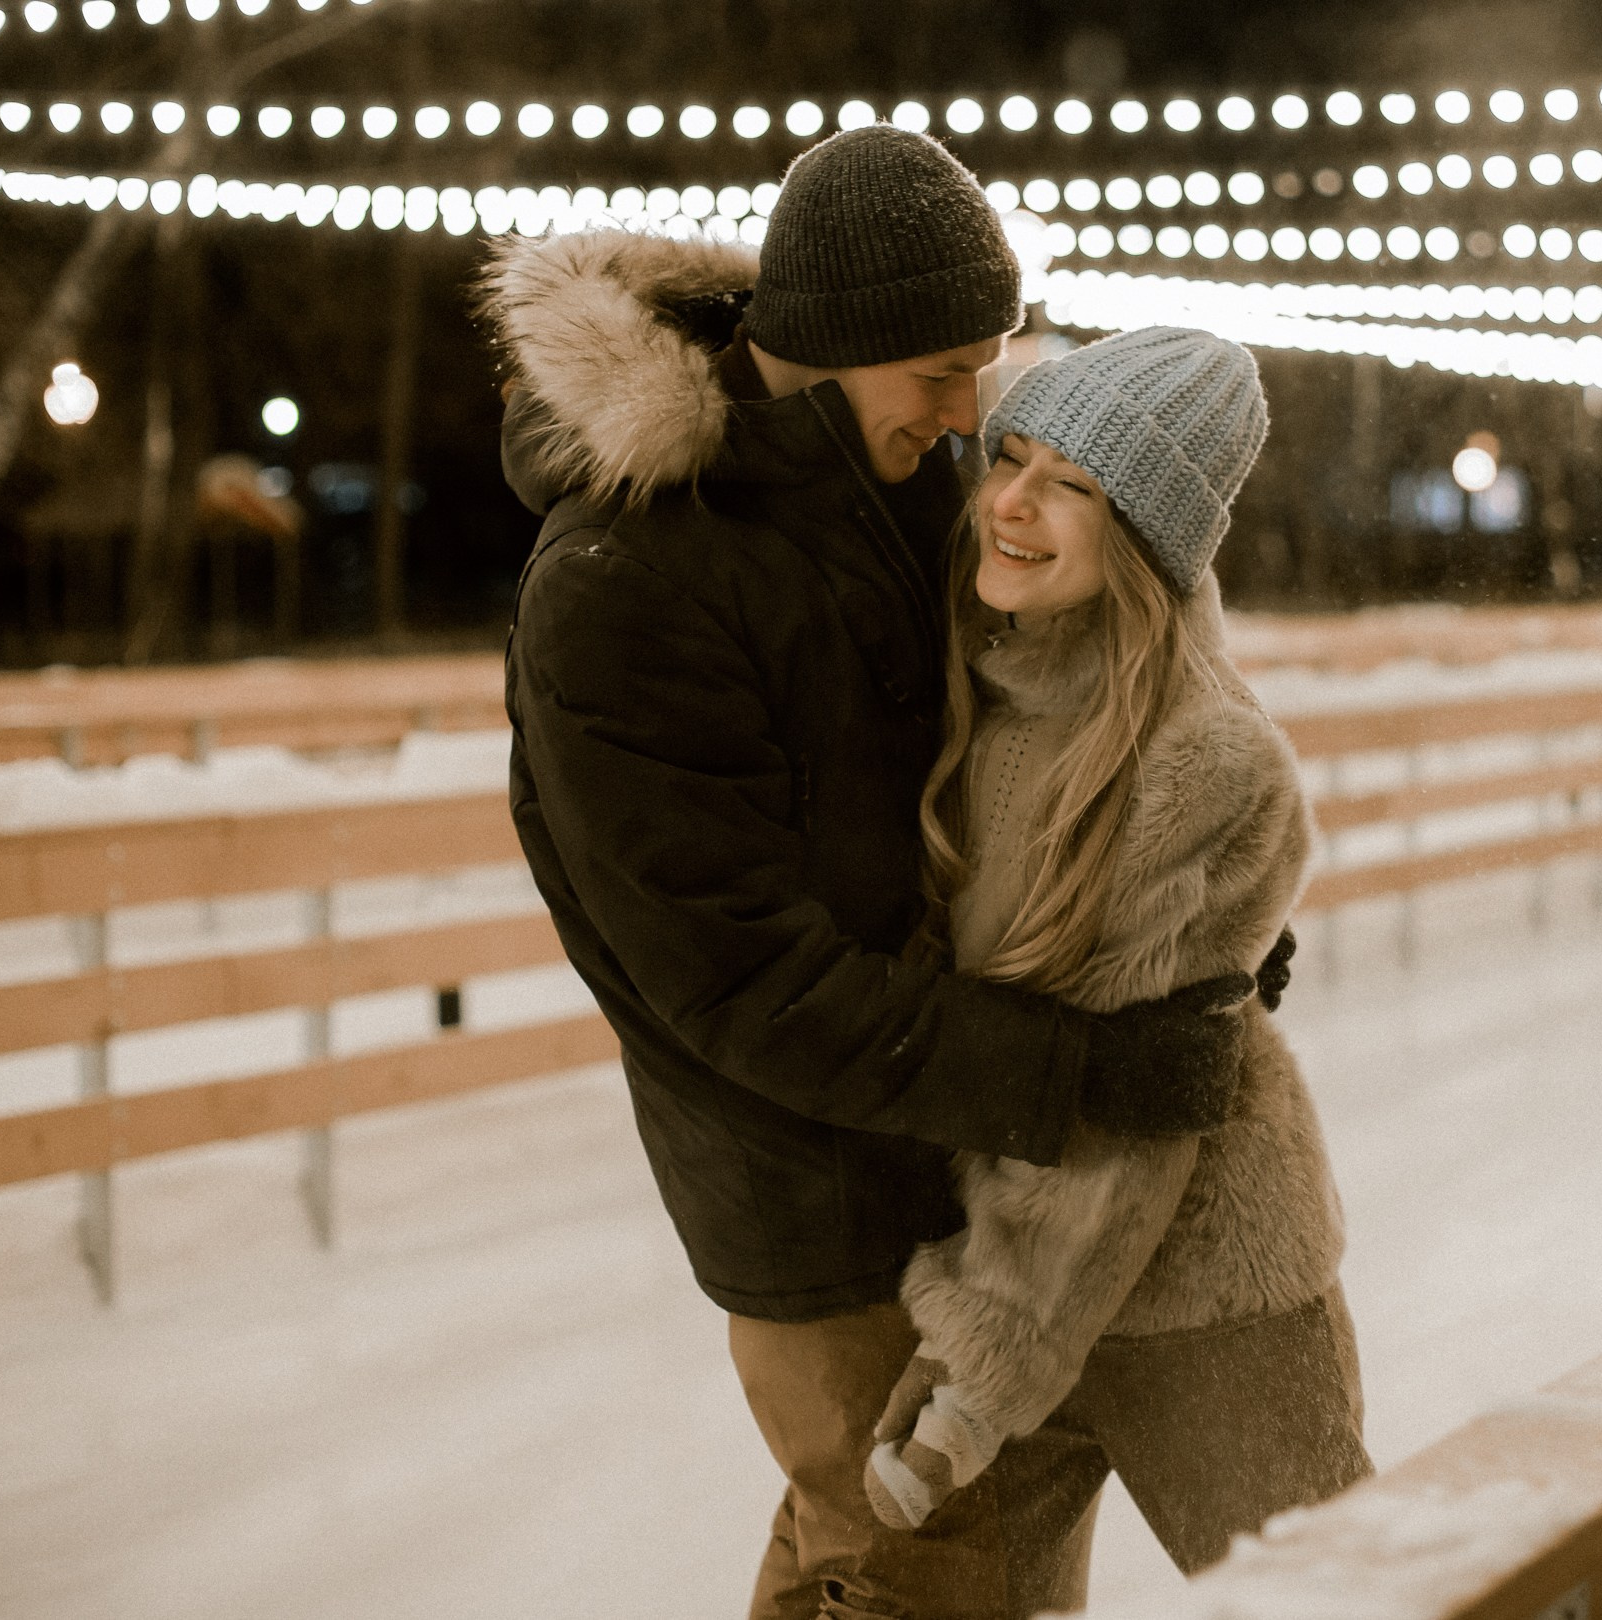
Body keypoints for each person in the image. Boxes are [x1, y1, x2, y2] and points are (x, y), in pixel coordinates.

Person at [484, 127, 1288, 1619]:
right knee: (924, 1578)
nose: (974, 412)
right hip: (810, 1192)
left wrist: (1161, 922)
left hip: (944, 1142)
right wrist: (1081, 1071)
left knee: (877, 1572)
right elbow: (744, 984)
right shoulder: (625, 583)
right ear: (834, 350)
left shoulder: (898, 478)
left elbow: (1039, 710)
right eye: (940, 374)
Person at [862, 328, 1371, 1588]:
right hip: (1002, 1269)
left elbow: (1124, 1119)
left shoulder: (1203, 764)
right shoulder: (982, 674)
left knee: (1334, 1605)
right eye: (1012, 458)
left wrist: (980, 1368)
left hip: (1204, 1299)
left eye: (1073, 486)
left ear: (1145, 534)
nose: (1013, 502)